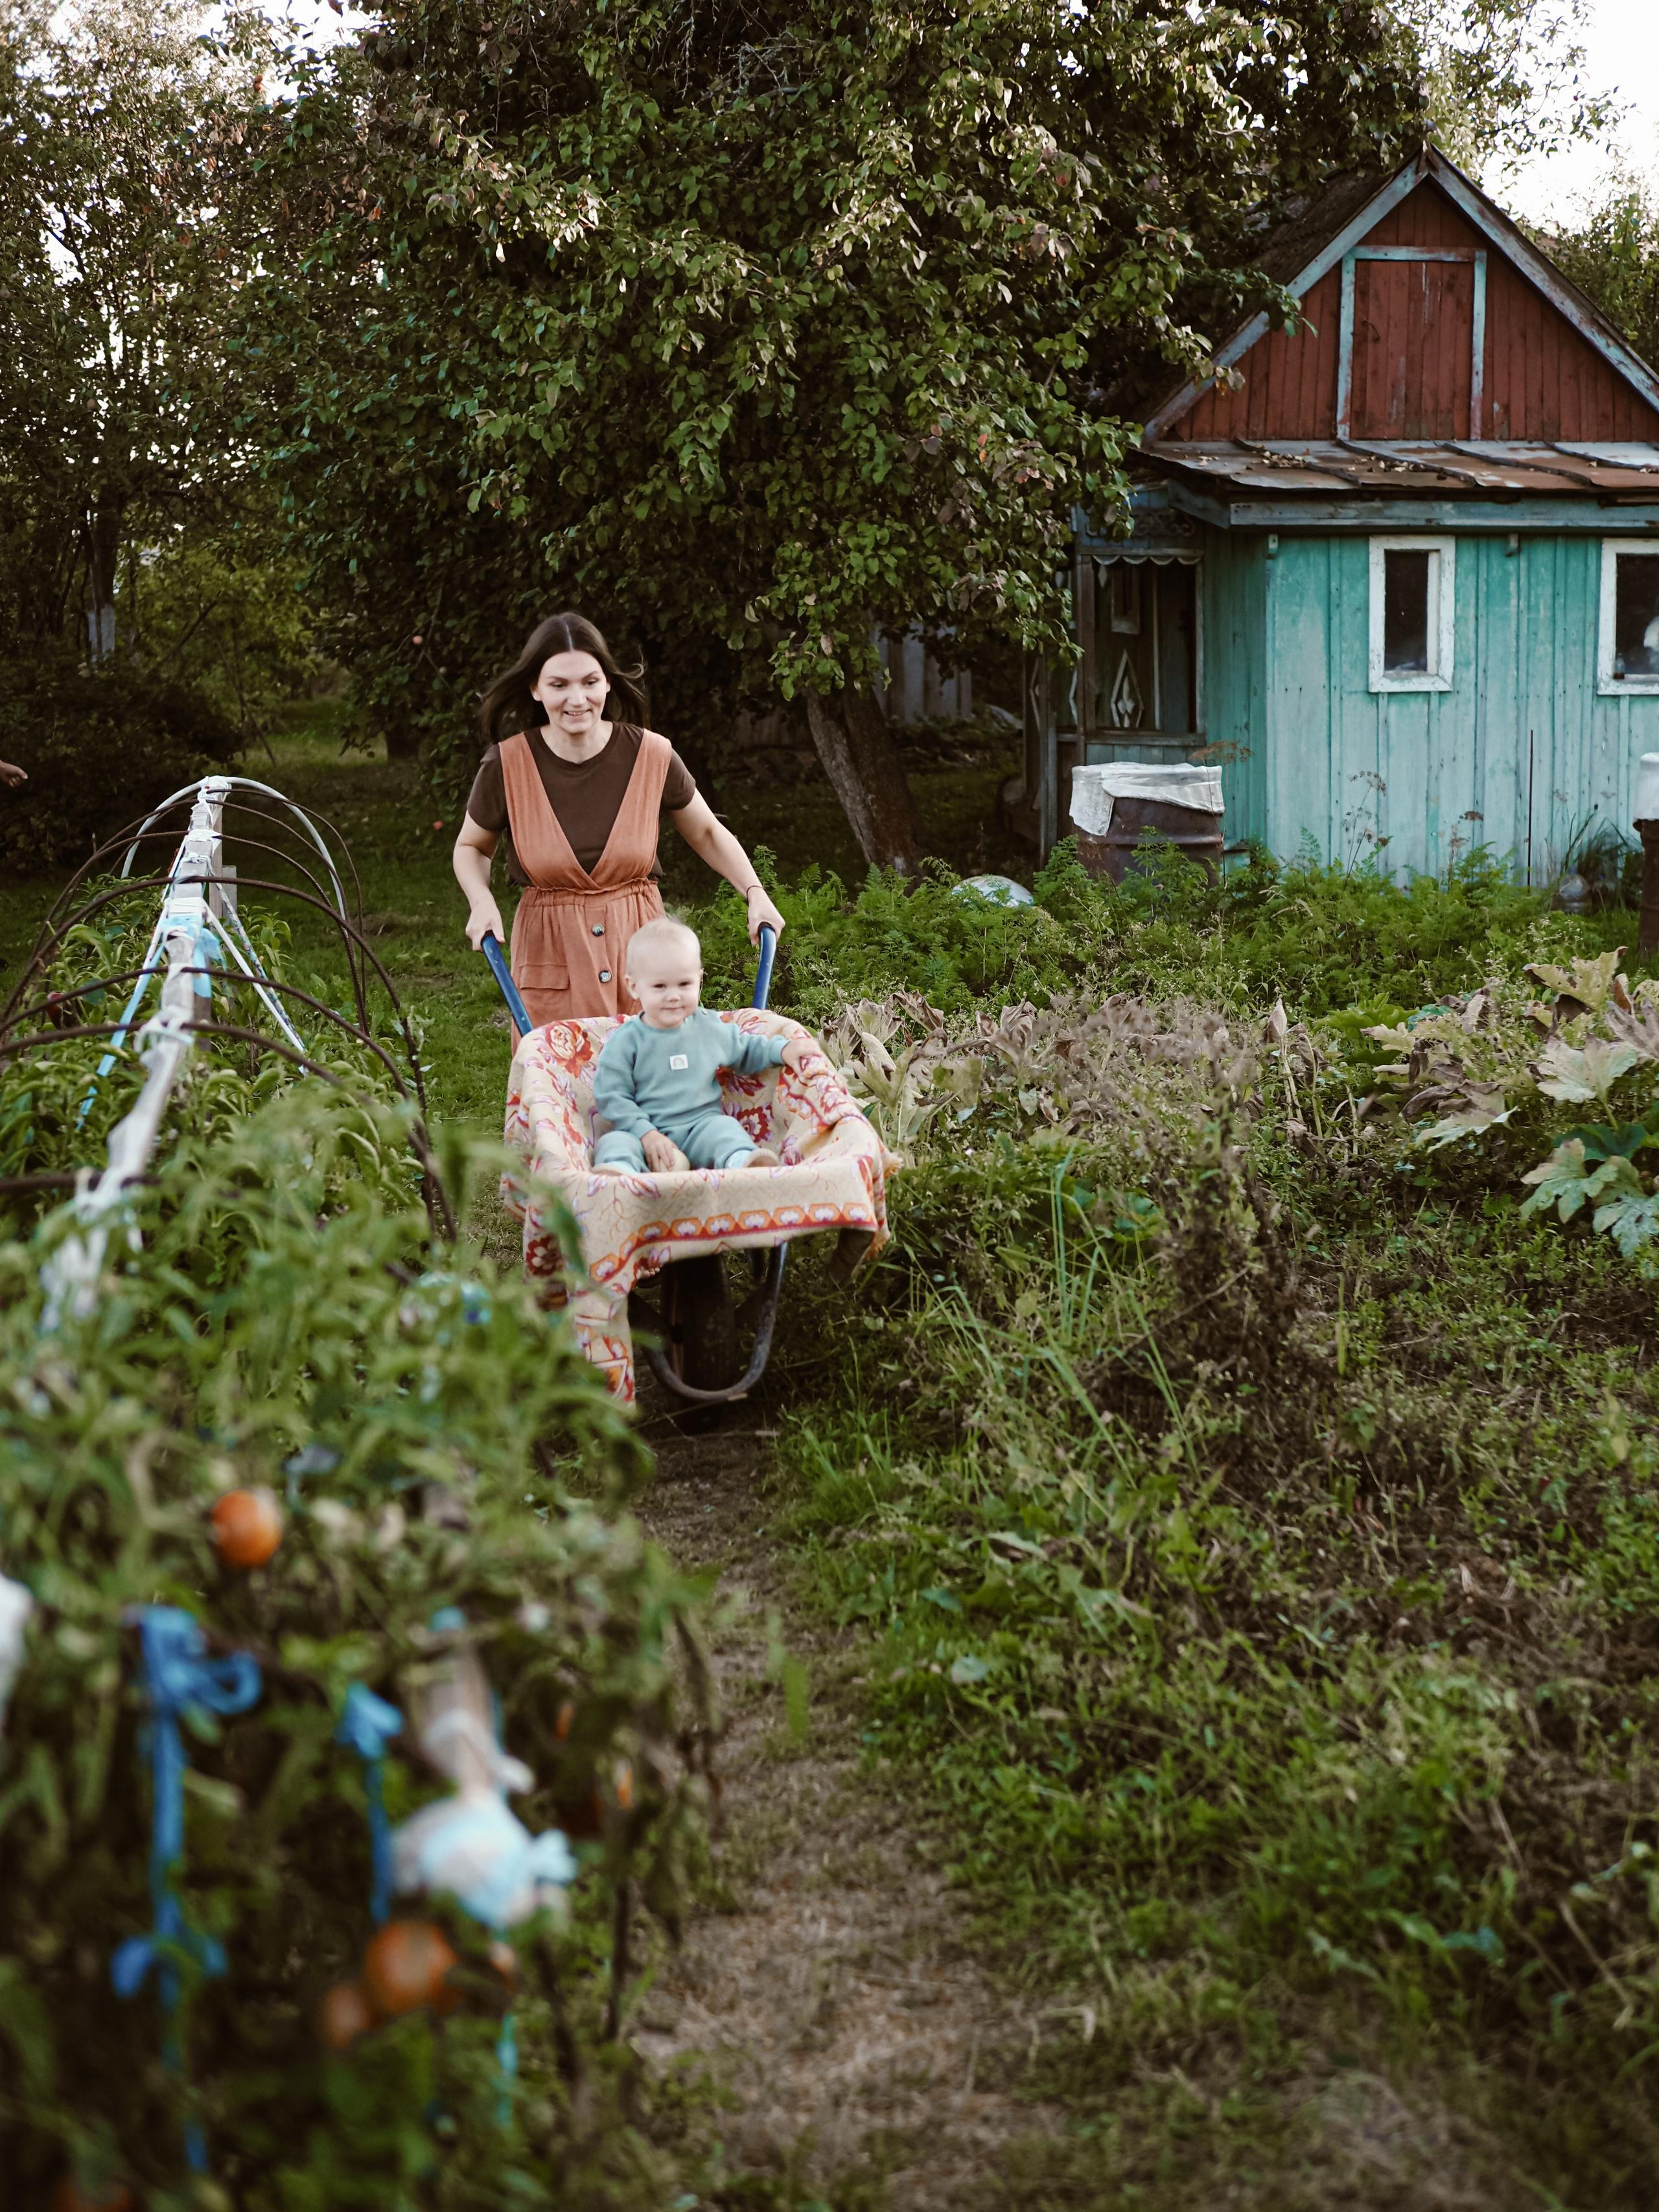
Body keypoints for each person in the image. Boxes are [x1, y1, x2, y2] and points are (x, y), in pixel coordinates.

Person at [453, 612, 786, 1028]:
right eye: (559, 685)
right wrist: (480, 900)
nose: (577, 699)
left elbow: (706, 831)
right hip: (552, 952)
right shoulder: (507, 765)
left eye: (590, 682)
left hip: (643, 953)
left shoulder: (652, 755)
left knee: (657, 1065)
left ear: (608, 682)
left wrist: (755, 892)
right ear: (535, 688)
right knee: (561, 1069)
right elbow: (472, 846)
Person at [590, 917, 818, 1174]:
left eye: (684, 984)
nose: (673, 996)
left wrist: (782, 1050)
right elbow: (612, 1095)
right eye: (660, 986)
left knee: (725, 1129)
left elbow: (745, 1048)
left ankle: (743, 1164)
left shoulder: (709, 1028)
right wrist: (645, 1133)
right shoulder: (626, 1041)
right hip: (644, 1136)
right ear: (634, 987)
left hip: (700, 1129)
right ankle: (619, 1174)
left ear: (699, 980)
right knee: (614, 1142)